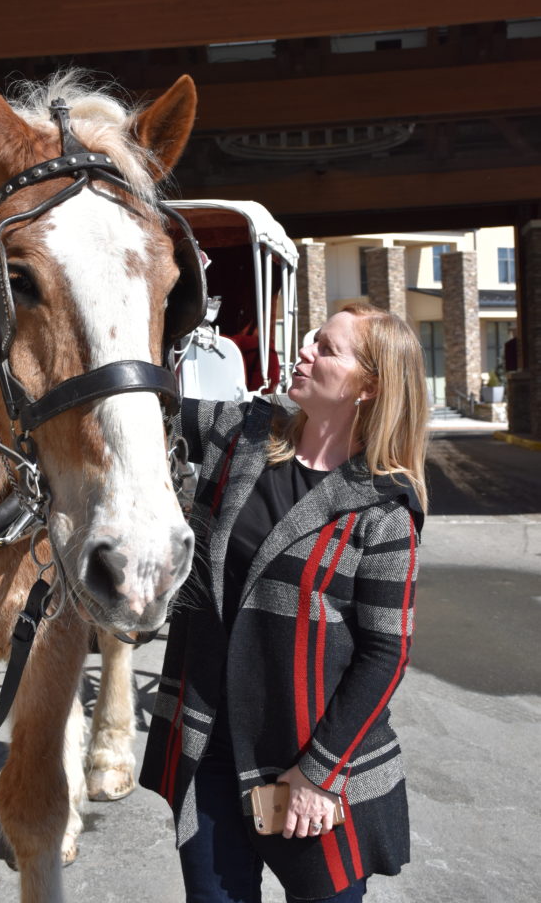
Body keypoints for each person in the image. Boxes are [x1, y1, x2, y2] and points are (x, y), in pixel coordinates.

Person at [140, 303, 429, 903]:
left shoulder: (384, 507)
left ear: (367, 387)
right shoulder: (245, 434)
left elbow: (386, 653)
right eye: (310, 339)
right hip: (212, 743)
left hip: (317, 763)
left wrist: (318, 775)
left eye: (325, 348)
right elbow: (143, 404)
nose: (303, 350)